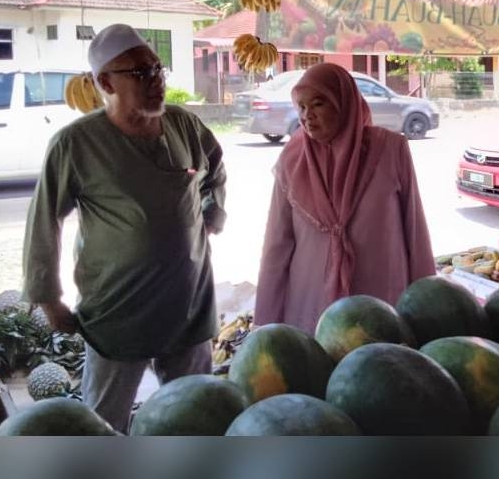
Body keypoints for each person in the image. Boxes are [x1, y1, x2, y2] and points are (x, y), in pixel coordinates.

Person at [22, 23, 227, 433]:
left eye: (157, 70)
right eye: (139, 73)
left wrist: (212, 211)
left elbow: (215, 167)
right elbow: (44, 219)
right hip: (119, 310)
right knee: (101, 423)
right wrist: (48, 298)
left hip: (189, 304)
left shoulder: (184, 125)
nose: (155, 82)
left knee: (194, 415)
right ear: (104, 82)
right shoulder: (76, 144)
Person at [255, 62, 435, 333]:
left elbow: (414, 230)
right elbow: (276, 244)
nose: (307, 116)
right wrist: (265, 320)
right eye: (301, 107)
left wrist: (427, 306)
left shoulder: (389, 150)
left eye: (318, 104)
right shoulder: (292, 160)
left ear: (344, 104)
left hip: (380, 297)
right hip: (311, 302)